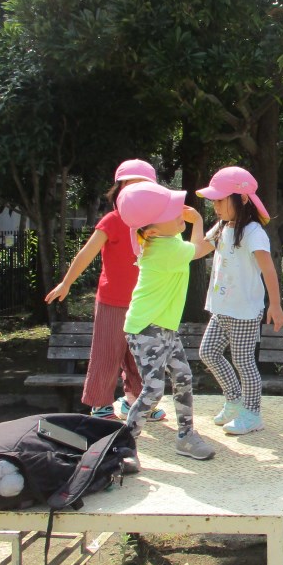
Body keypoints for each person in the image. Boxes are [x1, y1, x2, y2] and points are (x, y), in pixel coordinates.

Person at [44, 159, 165, 422]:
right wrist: (66, 282)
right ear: (120, 190)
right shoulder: (113, 220)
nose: (137, 193)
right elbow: (87, 252)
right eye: (131, 186)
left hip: (145, 302)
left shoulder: (157, 224)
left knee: (142, 354)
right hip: (112, 301)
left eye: (144, 188)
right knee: (107, 352)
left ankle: (138, 400)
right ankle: (100, 405)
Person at [117, 182, 216, 461]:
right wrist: (202, 221)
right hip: (147, 328)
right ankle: (123, 447)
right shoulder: (165, 249)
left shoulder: (164, 241)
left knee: (183, 377)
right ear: (151, 231)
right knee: (153, 389)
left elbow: (195, 245)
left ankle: (186, 437)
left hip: (163, 327)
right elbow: (201, 248)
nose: (178, 213)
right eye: (170, 213)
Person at [196, 167, 283, 436]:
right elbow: (197, 250)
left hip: (245, 311)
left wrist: (275, 305)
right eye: (214, 200)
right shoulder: (222, 227)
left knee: (244, 362)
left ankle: (252, 413)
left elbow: (269, 269)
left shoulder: (253, 232)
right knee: (208, 353)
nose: (215, 206)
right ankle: (234, 401)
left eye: (220, 200)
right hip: (221, 309)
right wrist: (194, 222)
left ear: (243, 199)